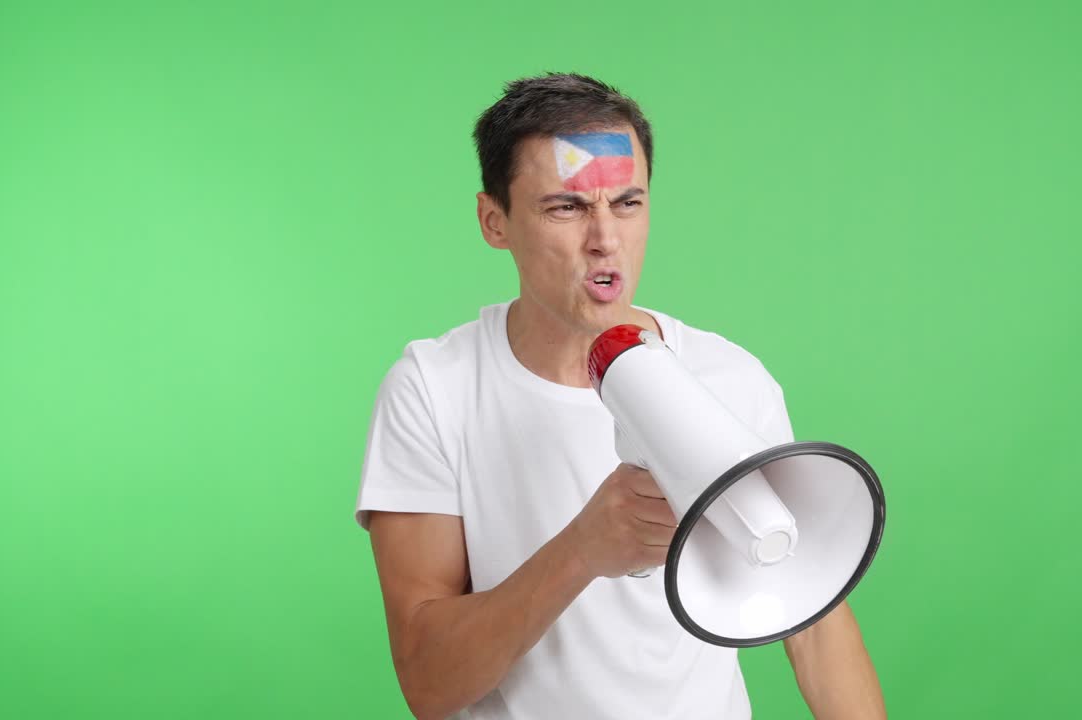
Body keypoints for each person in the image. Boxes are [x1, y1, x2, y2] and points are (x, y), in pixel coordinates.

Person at [355, 73, 886, 720]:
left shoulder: (729, 379)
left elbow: (814, 624)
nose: (605, 238)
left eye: (628, 203)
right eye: (567, 207)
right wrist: (584, 550)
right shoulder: (432, 389)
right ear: (495, 222)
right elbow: (428, 683)